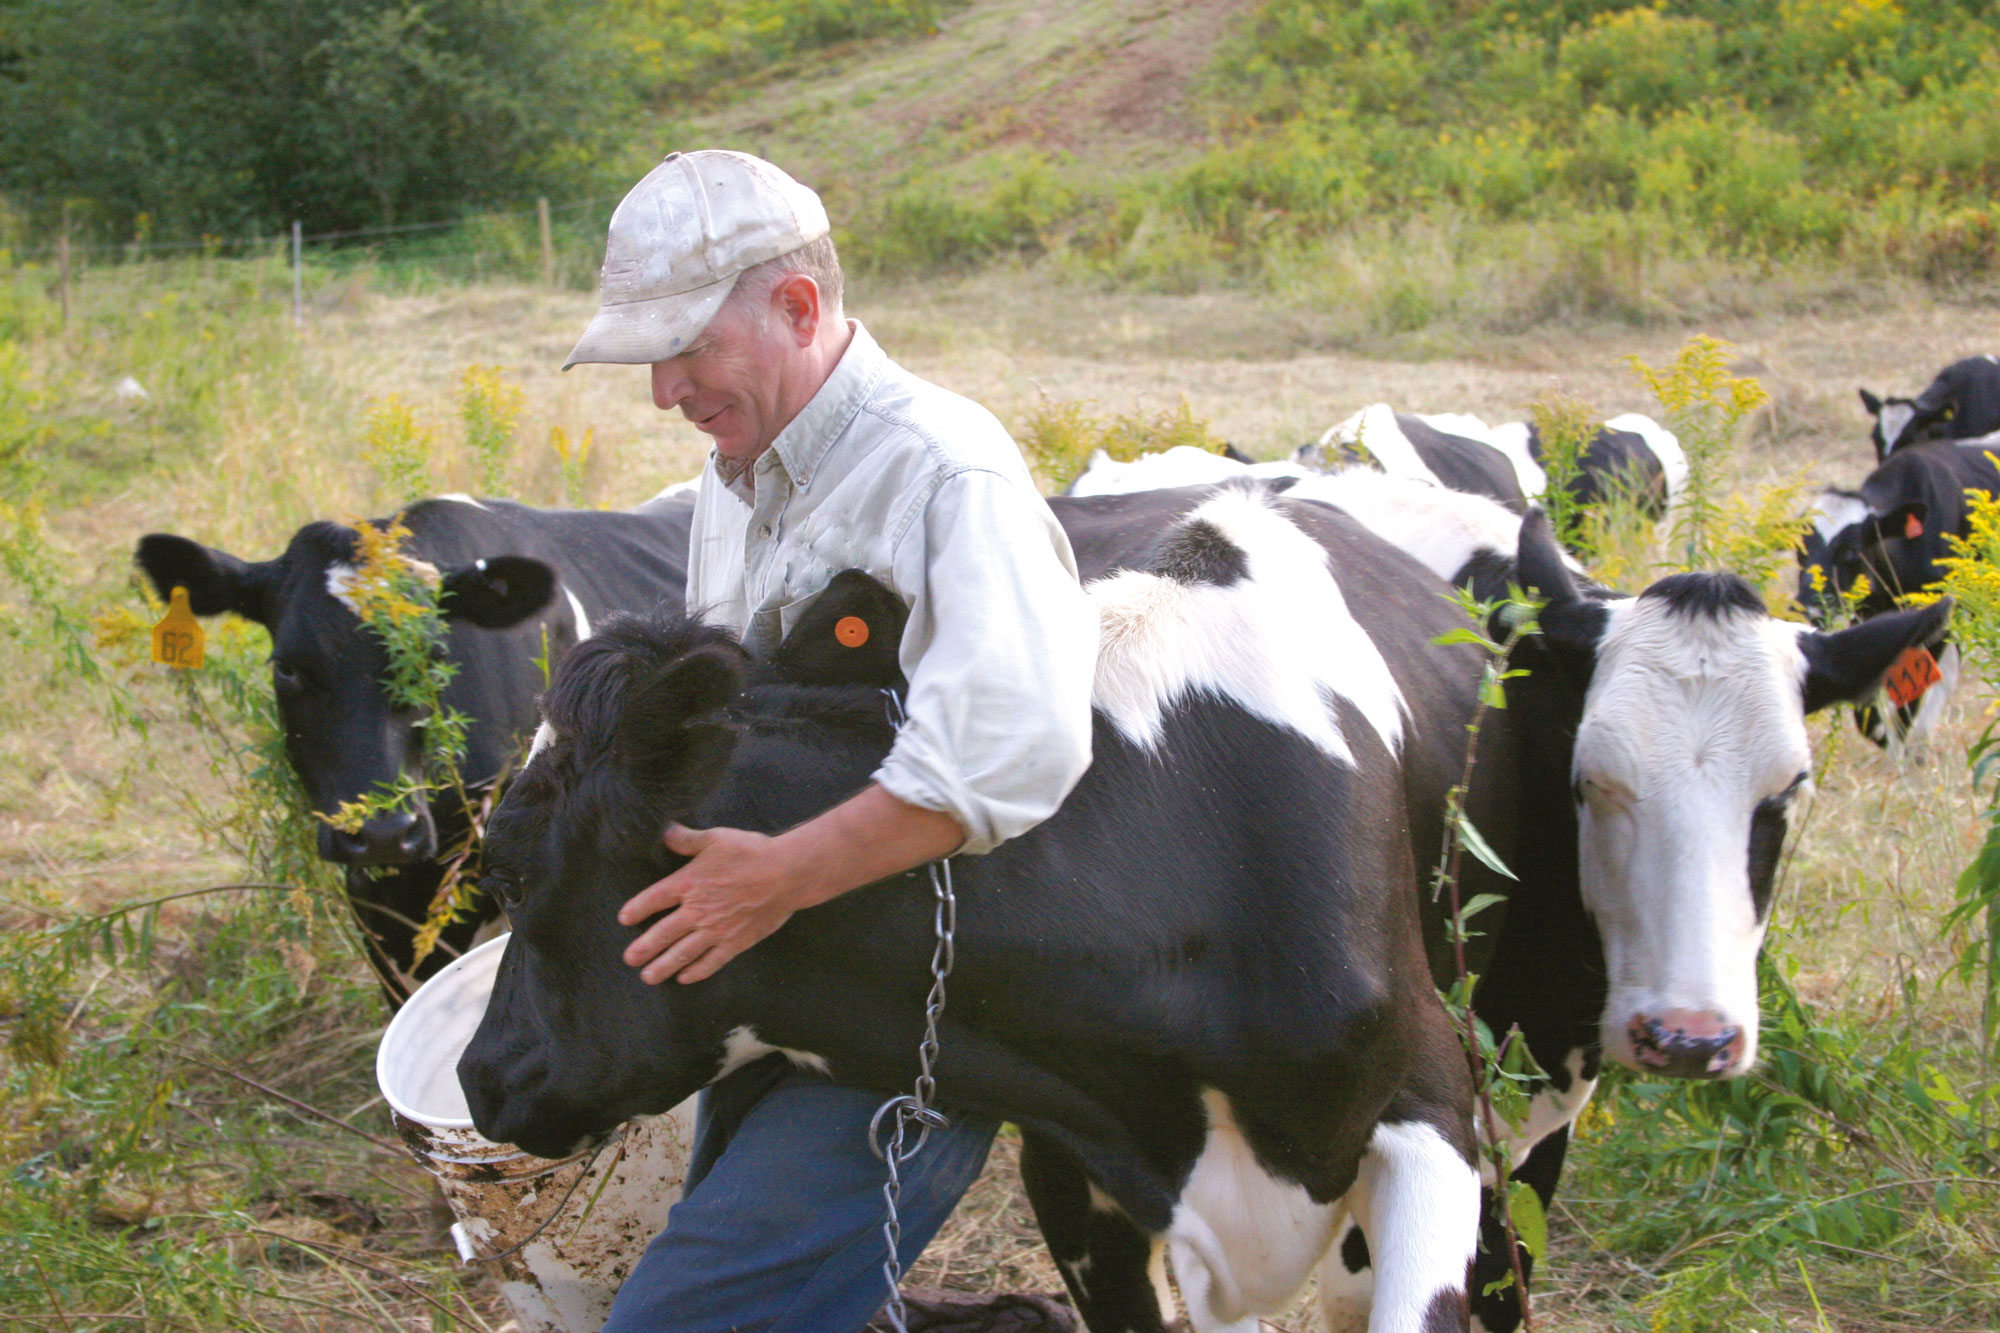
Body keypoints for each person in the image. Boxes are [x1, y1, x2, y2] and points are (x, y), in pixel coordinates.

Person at [560, 150, 1099, 1333]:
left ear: (796, 306)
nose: (663, 389)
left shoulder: (940, 473)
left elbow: (1013, 747)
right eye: (652, 357)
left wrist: (775, 877)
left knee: (685, 1318)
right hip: (786, 974)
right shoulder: (737, 477)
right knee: (798, 1300)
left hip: (916, 1008)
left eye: (687, 347)